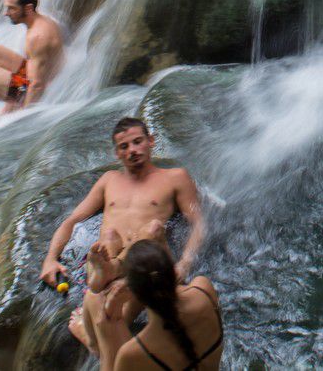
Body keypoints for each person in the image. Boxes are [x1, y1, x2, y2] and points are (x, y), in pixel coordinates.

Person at [42, 117, 207, 367]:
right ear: (116, 153)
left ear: (151, 142)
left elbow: (199, 223)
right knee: (108, 238)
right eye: (124, 146)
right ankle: (107, 281)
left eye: (138, 142)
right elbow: (72, 220)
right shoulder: (109, 180)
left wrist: (184, 264)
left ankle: (95, 328)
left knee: (152, 230)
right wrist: (50, 259)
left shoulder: (175, 177)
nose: (132, 150)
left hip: (145, 262)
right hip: (107, 260)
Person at [112, 240, 223, 371]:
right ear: (172, 270)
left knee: (101, 318)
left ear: (134, 293)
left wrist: (110, 317)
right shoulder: (204, 289)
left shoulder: (132, 353)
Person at [0, 0, 65, 114]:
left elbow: (37, 84)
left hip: (46, 87)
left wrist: (23, 118)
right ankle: (12, 104)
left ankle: (17, 106)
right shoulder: (39, 21)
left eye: (11, 9)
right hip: (38, 76)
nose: (6, 13)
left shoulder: (37, 37)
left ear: (28, 8)